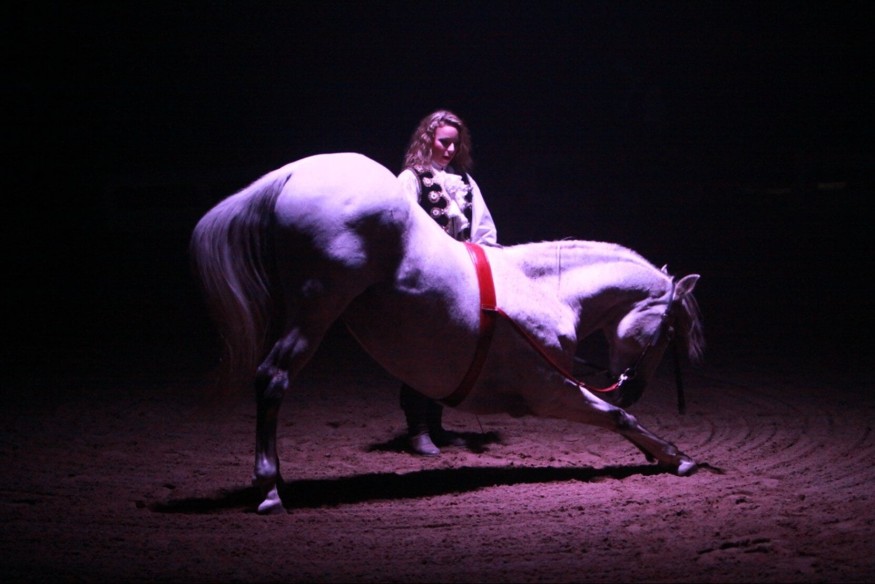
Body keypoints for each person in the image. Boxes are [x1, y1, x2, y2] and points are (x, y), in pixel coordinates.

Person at [396, 109, 498, 456]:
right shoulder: (412, 179)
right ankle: (418, 430)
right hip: (422, 282)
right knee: (419, 354)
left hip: (459, 284)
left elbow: (484, 230)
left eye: (455, 144)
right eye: (444, 142)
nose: (451, 150)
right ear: (429, 141)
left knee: (445, 355)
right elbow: (400, 228)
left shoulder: (465, 182)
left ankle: (436, 426)